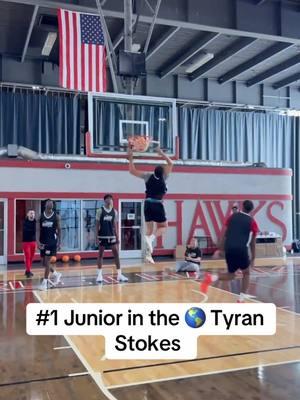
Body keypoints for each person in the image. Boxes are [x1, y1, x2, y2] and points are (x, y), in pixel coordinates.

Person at [202, 200, 259, 302]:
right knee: (246, 273)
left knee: (231, 274)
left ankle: (212, 277)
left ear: (242, 206)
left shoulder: (232, 217)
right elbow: (252, 243)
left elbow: (225, 234)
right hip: (241, 249)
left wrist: (220, 248)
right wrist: (253, 258)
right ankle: (241, 299)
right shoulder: (252, 222)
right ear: (252, 210)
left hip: (229, 248)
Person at [128, 146, 173, 264]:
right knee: (163, 226)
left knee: (149, 229)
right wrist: (161, 152)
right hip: (158, 204)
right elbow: (170, 162)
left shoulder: (148, 176)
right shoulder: (165, 177)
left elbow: (132, 171)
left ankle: (148, 255)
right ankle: (151, 238)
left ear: (154, 171)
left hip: (147, 204)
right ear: (163, 172)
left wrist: (131, 157)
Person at [95, 194, 128, 283]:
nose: (110, 200)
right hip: (102, 236)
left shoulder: (115, 211)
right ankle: (99, 275)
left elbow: (115, 225)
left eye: (111, 199)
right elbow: (97, 225)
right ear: (105, 200)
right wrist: (96, 237)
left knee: (116, 254)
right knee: (101, 255)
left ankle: (119, 274)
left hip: (112, 236)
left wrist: (117, 237)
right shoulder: (100, 211)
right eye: (108, 199)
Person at [38, 199, 62, 291]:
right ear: (45, 205)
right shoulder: (41, 216)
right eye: (49, 203)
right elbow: (37, 229)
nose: (51, 204)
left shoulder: (56, 216)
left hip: (52, 242)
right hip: (43, 242)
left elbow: (59, 230)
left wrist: (59, 243)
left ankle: (44, 283)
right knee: (43, 263)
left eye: (52, 203)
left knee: (47, 262)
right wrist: (37, 241)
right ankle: (56, 274)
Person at [22, 209, 36, 278]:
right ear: (28, 214)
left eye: (33, 213)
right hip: (26, 242)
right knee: (27, 257)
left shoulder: (36, 222)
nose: (32, 214)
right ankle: (28, 271)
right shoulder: (25, 222)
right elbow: (27, 231)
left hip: (33, 242)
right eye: (31, 213)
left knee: (31, 257)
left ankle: (28, 270)